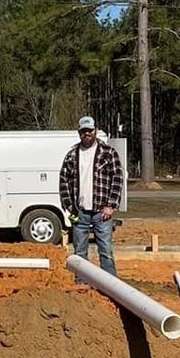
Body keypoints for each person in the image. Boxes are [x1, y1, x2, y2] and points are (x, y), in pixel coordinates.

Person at [59, 115, 124, 274]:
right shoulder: (72, 155)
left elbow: (117, 179)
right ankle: (81, 283)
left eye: (89, 130)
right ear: (79, 132)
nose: (86, 134)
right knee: (79, 253)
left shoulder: (108, 153)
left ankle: (111, 285)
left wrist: (111, 205)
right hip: (80, 212)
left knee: (106, 252)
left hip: (102, 212)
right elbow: (63, 180)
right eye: (83, 131)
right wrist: (68, 205)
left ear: (95, 130)